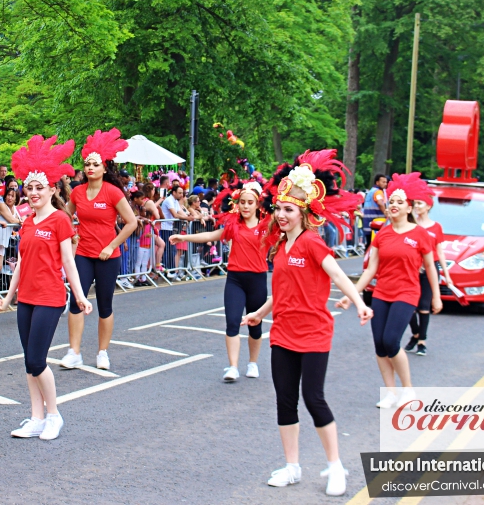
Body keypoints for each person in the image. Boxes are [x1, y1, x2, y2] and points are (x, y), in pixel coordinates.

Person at [240, 150, 369, 496]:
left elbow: (338, 274)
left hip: (313, 333)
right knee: (285, 400)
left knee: (314, 398)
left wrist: (358, 302)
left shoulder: (312, 243)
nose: (281, 215)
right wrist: (260, 314)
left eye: (289, 210)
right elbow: (281, 291)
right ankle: (292, 466)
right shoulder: (281, 246)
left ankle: (335, 466)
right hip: (282, 331)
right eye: (279, 209)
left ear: (304, 213)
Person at [0, 135, 93, 440]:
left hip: (50, 298)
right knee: (28, 361)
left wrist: (79, 296)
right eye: (30, 187)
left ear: (52, 189)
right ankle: (36, 416)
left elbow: (68, 261)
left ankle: (54, 415)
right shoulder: (27, 222)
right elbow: (22, 263)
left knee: (37, 360)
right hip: (27, 299)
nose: (33, 192)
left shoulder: (60, 220)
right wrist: (9, 297)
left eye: (40, 188)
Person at [352, 173, 440, 409]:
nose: (394, 205)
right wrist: (352, 295)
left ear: (409, 207)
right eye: (392, 201)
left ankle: (408, 389)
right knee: (379, 344)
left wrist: (437, 296)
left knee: (391, 341)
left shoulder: (420, 234)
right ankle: (391, 392)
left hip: (407, 293)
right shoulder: (383, 234)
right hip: (381, 293)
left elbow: (430, 266)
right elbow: (371, 269)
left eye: (400, 202)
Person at [171, 179, 269, 381]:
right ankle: (232, 366)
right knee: (232, 322)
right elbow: (212, 234)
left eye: (250, 202)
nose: (246, 206)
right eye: (242, 202)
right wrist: (183, 238)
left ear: (258, 204)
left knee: (255, 325)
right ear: (237, 203)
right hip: (235, 280)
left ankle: (252, 363)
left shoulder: (267, 227)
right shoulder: (234, 226)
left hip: (257, 279)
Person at [60, 129, 137, 371]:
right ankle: (74, 352)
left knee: (105, 304)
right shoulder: (78, 192)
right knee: (76, 301)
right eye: (87, 164)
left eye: (95, 164)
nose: (90, 167)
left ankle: (102, 352)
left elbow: (132, 222)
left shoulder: (112, 192)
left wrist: (111, 245)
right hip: (83, 254)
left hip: (107, 256)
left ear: (104, 168)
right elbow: (66, 216)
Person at [405, 188, 458, 356]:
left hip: (430, 267)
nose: (417, 206)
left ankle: (422, 341)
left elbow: (440, 252)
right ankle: (415, 333)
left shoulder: (436, 227)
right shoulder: (411, 225)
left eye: (420, 203)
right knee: (408, 304)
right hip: (412, 267)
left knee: (424, 305)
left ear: (428, 206)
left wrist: (447, 276)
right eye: (415, 204)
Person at [0, 187, 21, 295]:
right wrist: (21, 221)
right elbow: (11, 220)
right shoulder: (2, 205)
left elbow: (18, 221)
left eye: (12, 196)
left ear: (16, 198)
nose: (10, 198)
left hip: (4, 239)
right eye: (8, 195)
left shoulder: (16, 209)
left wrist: (21, 221)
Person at [361, 173, 388, 247]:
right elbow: (380, 203)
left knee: (369, 245)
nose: (385, 184)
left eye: (386, 182)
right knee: (374, 246)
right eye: (383, 182)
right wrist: (386, 214)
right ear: (377, 182)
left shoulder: (371, 191)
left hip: (368, 223)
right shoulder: (378, 192)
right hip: (376, 224)